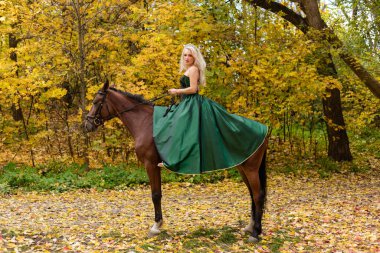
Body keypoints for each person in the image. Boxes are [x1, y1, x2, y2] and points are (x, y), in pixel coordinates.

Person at [153, 44, 268, 174]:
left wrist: (176, 91)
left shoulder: (193, 69)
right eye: (185, 55)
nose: (186, 58)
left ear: (194, 57)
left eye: (190, 55)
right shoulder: (189, 69)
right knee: (174, 123)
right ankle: (170, 157)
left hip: (192, 103)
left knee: (180, 127)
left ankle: (174, 160)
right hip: (186, 102)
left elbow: (193, 89)